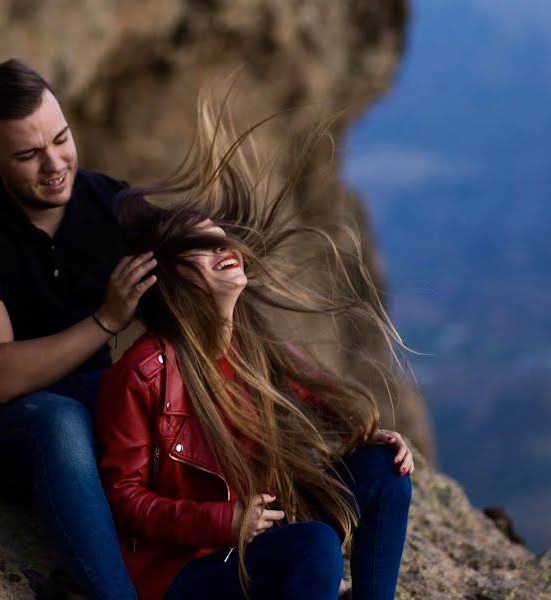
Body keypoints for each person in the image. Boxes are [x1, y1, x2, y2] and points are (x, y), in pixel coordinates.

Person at [95, 98, 414, 600]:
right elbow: (124, 499)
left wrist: (375, 436)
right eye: (204, 246)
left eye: (225, 240)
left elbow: (319, 408)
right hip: (187, 570)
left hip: (254, 537)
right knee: (314, 545)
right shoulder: (142, 375)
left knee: (385, 471)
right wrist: (224, 522)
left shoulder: (255, 347)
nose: (227, 251)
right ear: (172, 277)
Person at [0, 59, 155, 599]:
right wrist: (107, 319)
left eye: (61, 138)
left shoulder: (115, 205)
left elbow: (204, 298)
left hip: (93, 398)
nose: (54, 163)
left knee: (168, 392)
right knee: (61, 422)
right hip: (2, 422)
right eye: (29, 155)